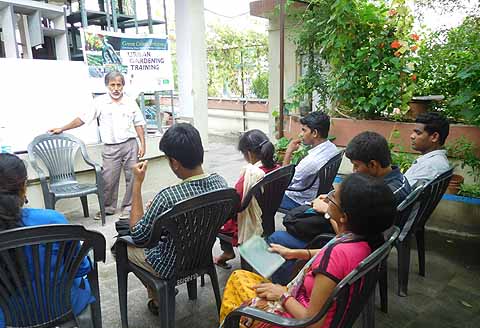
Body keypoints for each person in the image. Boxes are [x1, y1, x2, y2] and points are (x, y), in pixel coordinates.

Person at [206, 173, 397, 328]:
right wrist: (294, 253)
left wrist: (282, 294)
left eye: (333, 197)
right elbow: (328, 257)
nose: (327, 197)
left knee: (236, 289)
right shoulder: (362, 241)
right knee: (242, 278)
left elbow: (312, 322)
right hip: (327, 325)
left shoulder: (338, 254)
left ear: (344, 217)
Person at [126, 123, 228, 315]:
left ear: (174, 162)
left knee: (122, 248)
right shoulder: (221, 183)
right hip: (203, 254)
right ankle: (160, 292)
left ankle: (157, 295)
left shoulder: (168, 197)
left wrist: (137, 183)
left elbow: (138, 235)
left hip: (170, 264)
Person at [0, 153, 93, 328]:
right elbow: (81, 268)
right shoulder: (52, 220)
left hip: (7, 316)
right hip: (61, 304)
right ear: (24, 186)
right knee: (52, 280)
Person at [268, 131, 411, 264]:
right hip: (358, 241)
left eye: (356, 166)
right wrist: (335, 199)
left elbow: (350, 236)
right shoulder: (393, 181)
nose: (354, 171)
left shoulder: (384, 196)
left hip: (347, 245)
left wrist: (328, 211)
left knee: (277, 238)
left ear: (373, 164)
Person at [49, 70, 146, 221]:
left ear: (123, 86)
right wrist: (62, 128)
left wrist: (142, 144)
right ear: (107, 86)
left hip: (130, 145)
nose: (115, 88)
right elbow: (82, 118)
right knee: (108, 179)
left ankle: (129, 207)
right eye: (112, 85)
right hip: (110, 147)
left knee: (132, 177)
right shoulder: (99, 102)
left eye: (118, 85)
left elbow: (139, 123)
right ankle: (107, 208)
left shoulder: (130, 102)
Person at [214, 129, 280, 269]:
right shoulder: (276, 168)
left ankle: (227, 252)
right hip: (267, 215)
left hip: (248, 221)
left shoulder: (251, 176)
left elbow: (234, 204)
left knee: (218, 220)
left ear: (249, 153)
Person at [280, 111, 338, 210]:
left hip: (298, 200)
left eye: (304, 130)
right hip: (316, 193)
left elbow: (284, 182)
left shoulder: (310, 161)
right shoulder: (332, 148)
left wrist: (289, 152)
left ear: (315, 133)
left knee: (261, 197)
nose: (300, 134)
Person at [404, 112, 450, 187]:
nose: (412, 136)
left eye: (418, 133)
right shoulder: (434, 161)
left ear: (434, 137)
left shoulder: (431, 166)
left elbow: (400, 192)